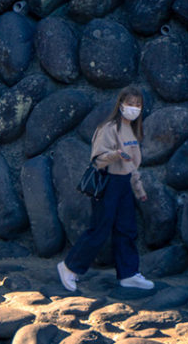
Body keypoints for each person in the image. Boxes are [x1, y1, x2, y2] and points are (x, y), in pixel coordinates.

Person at [57, 86, 154, 292]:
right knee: (100, 229)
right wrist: (115, 154)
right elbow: (98, 160)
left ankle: (128, 274)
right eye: (130, 104)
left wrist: (139, 190)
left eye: (138, 105)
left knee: (126, 229)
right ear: (120, 105)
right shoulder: (109, 128)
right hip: (108, 182)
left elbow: (133, 166)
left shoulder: (133, 130)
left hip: (124, 184)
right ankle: (69, 267)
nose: (134, 108)